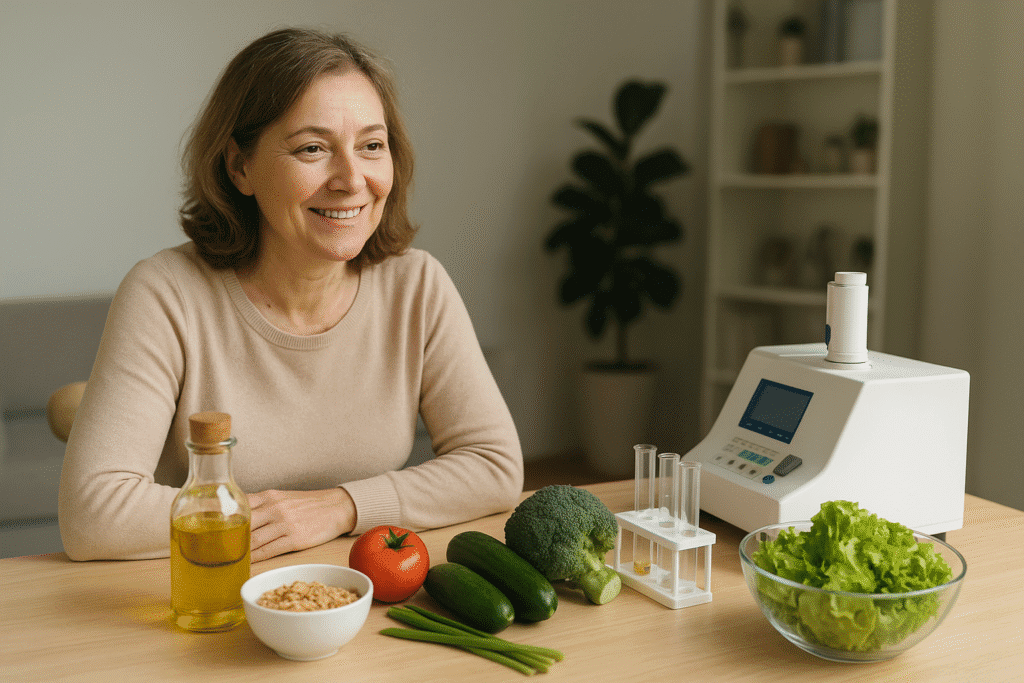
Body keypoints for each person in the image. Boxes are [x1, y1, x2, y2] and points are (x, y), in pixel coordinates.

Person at [58, 27, 523, 562]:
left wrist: (341, 507)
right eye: (312, 148)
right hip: (207, 597)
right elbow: (92, 515)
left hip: (359, 594)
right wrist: (278, 521)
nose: (352, 178)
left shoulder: (416, 285)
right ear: (240, 166)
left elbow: (494, 465)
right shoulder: (165, 293)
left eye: (372, 146)